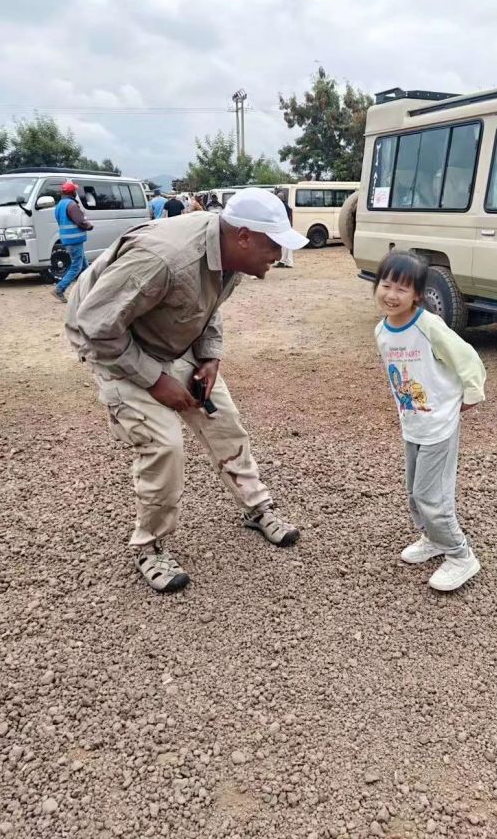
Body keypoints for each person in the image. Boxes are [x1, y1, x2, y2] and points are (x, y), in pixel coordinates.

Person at [64, 188, 309, 593]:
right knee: (164, 445)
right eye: (274, 245)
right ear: (244, 235)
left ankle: (255, 507)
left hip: (165, 339)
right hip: (112, 343)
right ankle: (150, 546)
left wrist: (210, 357)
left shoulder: (230, 256)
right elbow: (97, 326)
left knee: (223, 420)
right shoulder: (165, 259)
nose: (279, 256)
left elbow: (206, 309)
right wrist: (157, 382)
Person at [373, 251, 486, 592]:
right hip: (414, 422)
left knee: (429, 493)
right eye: (386, 284)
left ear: (418, 295)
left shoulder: (428, 325)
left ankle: (460, 555)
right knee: (414, 492)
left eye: (402, 289)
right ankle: (433, 538)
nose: (391, 294)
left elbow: (467, 359)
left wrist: (470, 394)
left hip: (438, 423)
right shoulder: (381, 330)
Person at [51, 181, 94, 303]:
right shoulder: (72, 205)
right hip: (74, 240)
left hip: (67, 239)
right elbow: (80, 221)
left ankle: (89, 291)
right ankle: (59, 289)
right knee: (76, 267)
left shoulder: (59, 205)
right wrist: (89, 226)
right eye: (74, 190)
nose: (76, 192)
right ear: (71, 192)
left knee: (85, 267)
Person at [274, 189, 294, 268]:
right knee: (284, 245)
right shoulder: (286, 206)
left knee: (284, 245)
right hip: (285, 227)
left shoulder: (282, 206)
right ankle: (284, 261)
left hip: (284, 228)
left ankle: (285, 262)